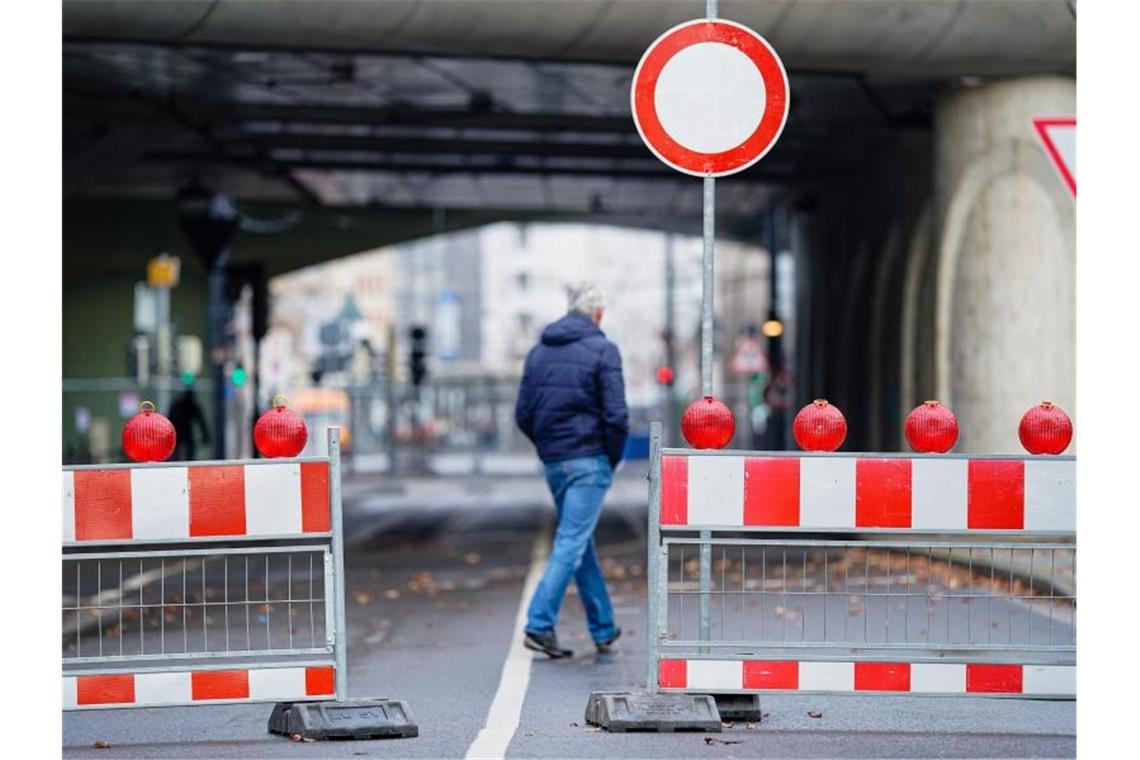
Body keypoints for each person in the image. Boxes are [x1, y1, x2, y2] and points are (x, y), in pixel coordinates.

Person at [515, 282, 629, 658]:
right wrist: (609, 459)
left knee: (579, 542)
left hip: (555, 461)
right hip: (589, 457)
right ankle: (539, 623)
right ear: (598, 314)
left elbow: (524, 415)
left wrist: (549, 448)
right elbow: (616, 415)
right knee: (572, 542)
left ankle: (603, 626)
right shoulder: (603, 349)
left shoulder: (537, 353)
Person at [168, 387, 210, 461]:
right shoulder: (181, 405)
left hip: (184, 431)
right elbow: (201, 422)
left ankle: (183, 460)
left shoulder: (191, 406)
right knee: (179, 450)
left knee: (188, 450)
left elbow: (201, 422)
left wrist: (205, 436)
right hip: (178, 431)